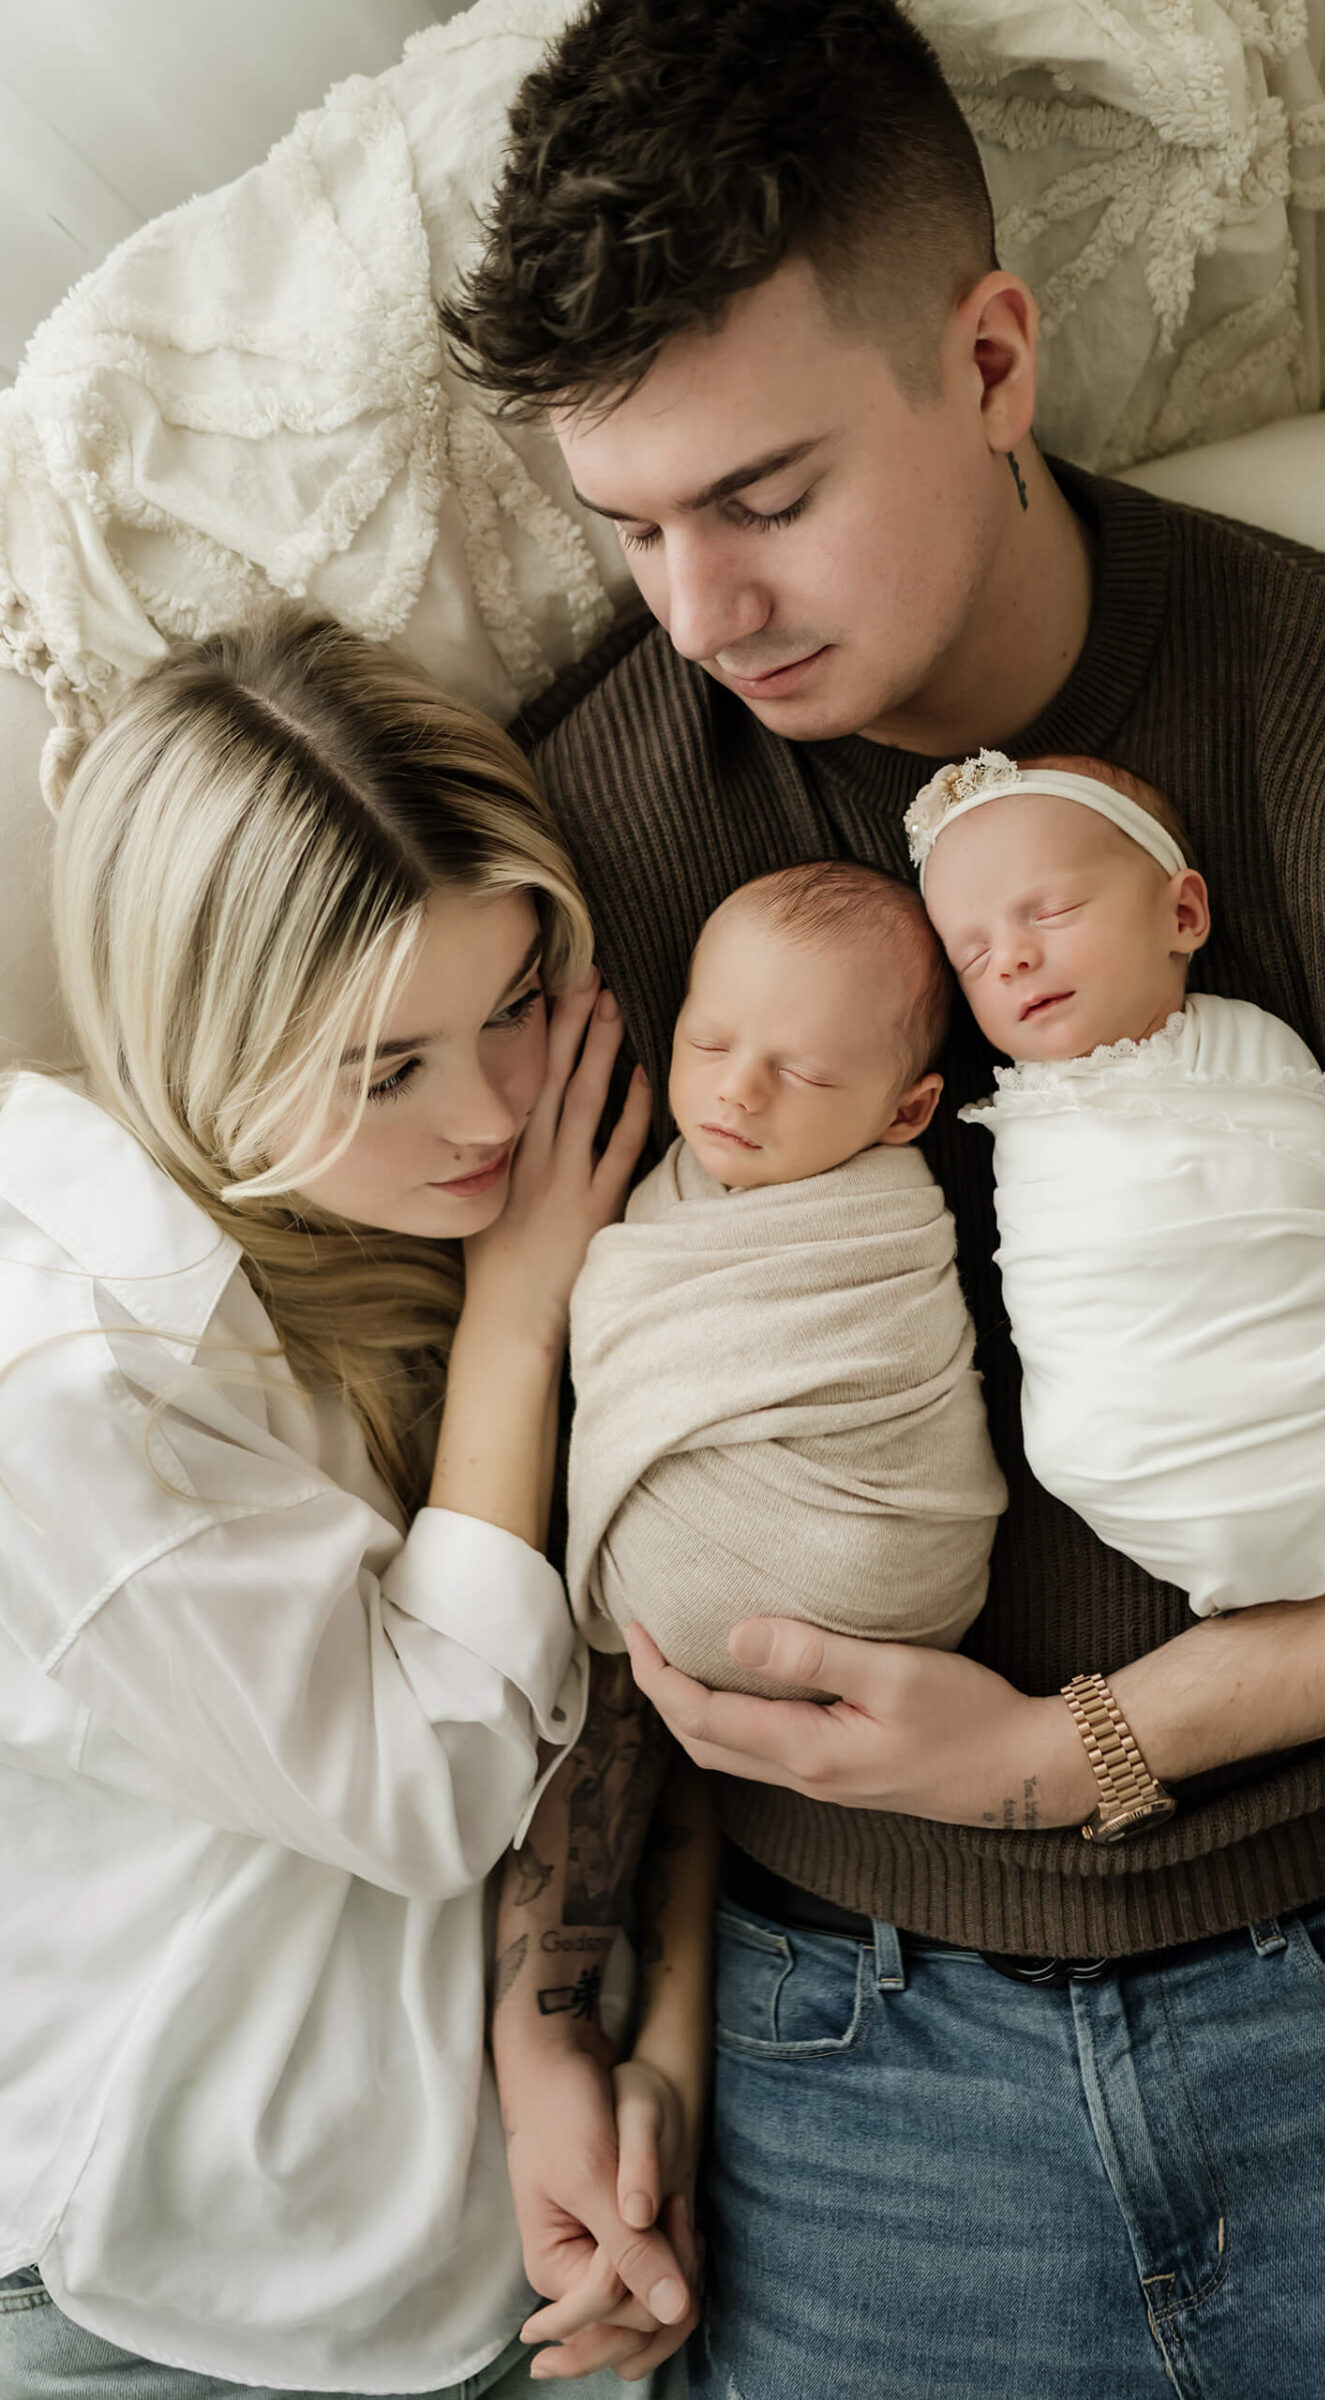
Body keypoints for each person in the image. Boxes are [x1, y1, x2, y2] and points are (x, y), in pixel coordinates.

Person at [441, 1, 1325, 2390]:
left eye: (762, 494)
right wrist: (568, 2017)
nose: (698, 611)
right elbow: (602, 1499)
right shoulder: (602, 832)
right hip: (843, 2048)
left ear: (987, 359)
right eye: (628, 524)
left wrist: (1083, 1746)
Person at [0, 611, 704, 2399]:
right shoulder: (85, 1375)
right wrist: (523, 1313)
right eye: (384, 1069)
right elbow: (427, 1783)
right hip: (170, 2271)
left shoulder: (484, 1199)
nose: (485, 1114)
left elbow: (657, 1670)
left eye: (520, 1002)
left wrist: (640, 2073)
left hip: (509, 2229)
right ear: (202, 1041)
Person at [915, 745, 1325, 1616]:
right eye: (972, 956)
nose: (1012, 958)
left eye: (1050, 911)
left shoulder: (1254, 1047)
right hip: (1140, 1455)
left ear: (1182, 914)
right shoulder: (1027, 1128)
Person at [565, 860, 1005, 1692]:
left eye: (800, 1072)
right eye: (710, 1043)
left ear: (906, 1112)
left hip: (872, 1576)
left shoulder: (880, 1235)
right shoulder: (673, 1188)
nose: (736, 1089)